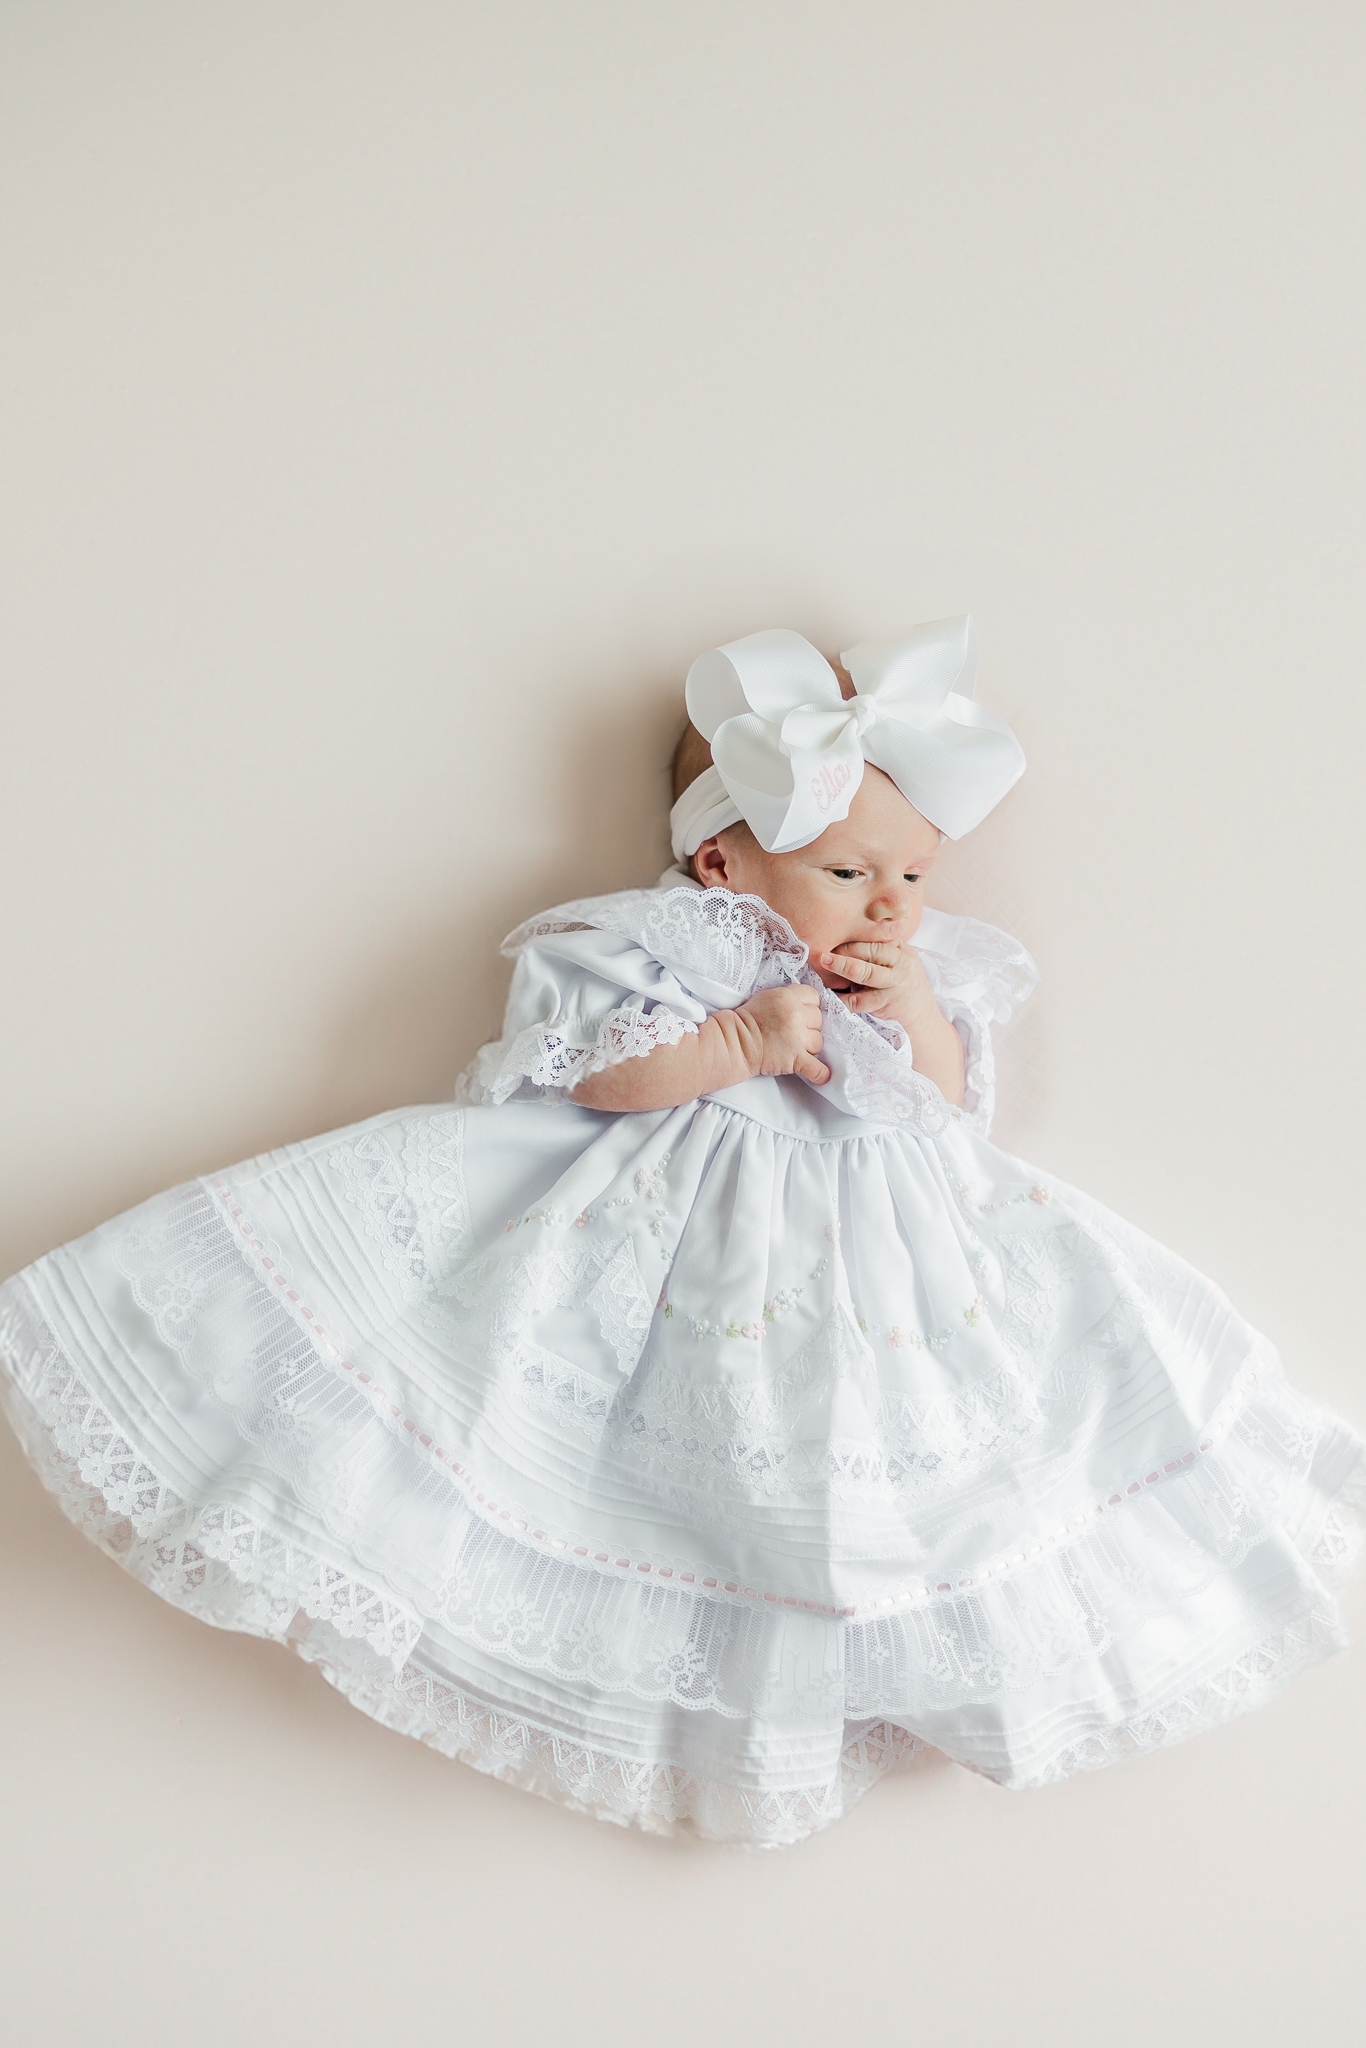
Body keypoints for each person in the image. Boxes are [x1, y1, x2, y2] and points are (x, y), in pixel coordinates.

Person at [1, 618, 1359, 1848]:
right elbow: (597, 1076)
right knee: (629, 1442)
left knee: (908, 1465)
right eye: (845, 870)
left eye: (909, 875)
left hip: (876, 1276)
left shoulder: (914, 972)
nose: (890, 904)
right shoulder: (664, 951)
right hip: (659, 1236)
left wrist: (917, 1020)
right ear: (719, 859)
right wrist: (740, 1037)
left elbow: (945, 1119)